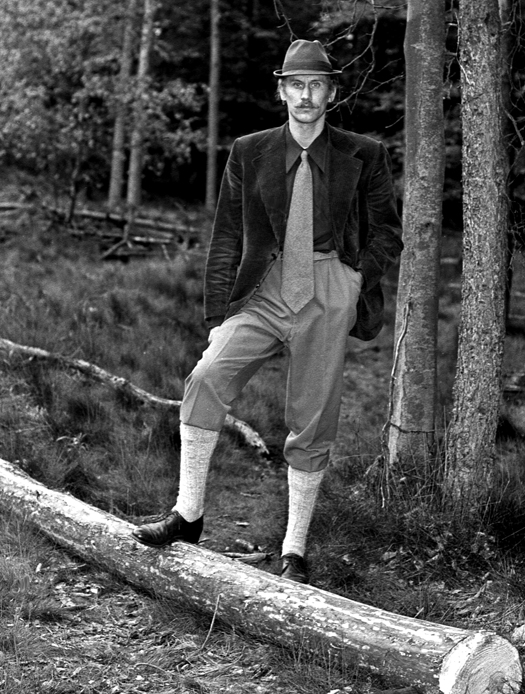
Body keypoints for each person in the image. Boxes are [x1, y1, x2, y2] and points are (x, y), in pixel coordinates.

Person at [133, 39, 402, 585]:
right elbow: (227, 235)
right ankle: (188, 515)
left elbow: (387, 232)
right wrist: (217, 317)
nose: (306, 96)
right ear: (281, 91)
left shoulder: (364, 154)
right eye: (296, 85)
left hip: (328, 287)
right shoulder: (249, 150)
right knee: (206, 378)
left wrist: (352, 281)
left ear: (331, 93)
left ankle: (294, 550)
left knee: (313, 416)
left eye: (316, 85)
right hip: (263, 289)